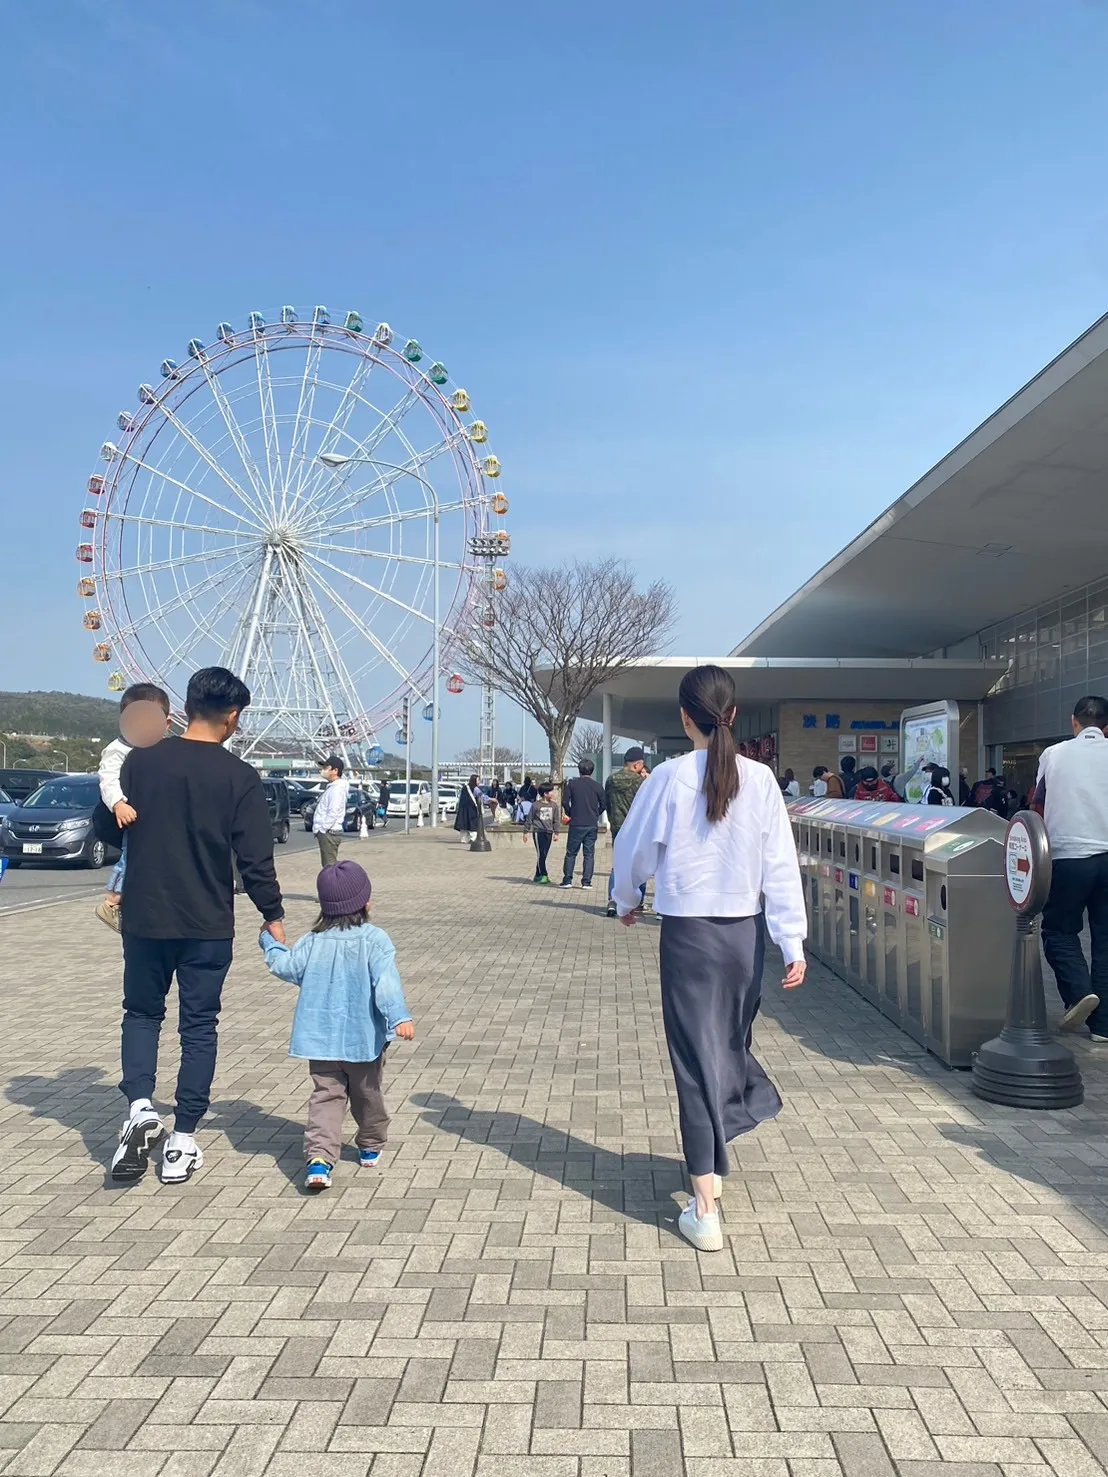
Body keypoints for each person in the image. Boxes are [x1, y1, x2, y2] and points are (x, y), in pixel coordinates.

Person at [611, 665, 806, 1254]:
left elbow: (634, 847)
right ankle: (716, 1155)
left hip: (689, 936)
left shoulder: (669, 778)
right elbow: (781, 864)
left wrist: (627, 898)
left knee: (694, 1061)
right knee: (725, 1046)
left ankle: (704, 1205)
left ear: (683, 717)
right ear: (735, 714)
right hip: (744, 937)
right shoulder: (764, 780)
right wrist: (791, 940)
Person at [111, 667, 285, 1185]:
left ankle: (141, 1106)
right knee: (198, 1027)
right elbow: (255, 859)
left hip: (144, 917)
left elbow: (108, 824)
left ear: (185, 708)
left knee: (141, 1015)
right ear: (232, 718)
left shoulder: (139, 764)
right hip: (207, 922)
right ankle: (182, 1139)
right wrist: (272, 913)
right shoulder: (239, 777)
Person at [259, 859, 414, 1192]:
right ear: (365, 901)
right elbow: (386, 984)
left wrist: (269, 943)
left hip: (321, 1038)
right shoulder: (375, 939)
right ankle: (370, 1143)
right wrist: (399, 1017)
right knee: (367, 1093)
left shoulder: (313, 939)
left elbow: (285, 966)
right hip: (364, 1039)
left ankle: (319, 1159)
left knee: (326, 1096)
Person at [1033, 695, 1108, 1040]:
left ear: (1073, 722)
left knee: (1059, 930)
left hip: (1069, 856)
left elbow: (1037, 803)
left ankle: (1079, 994)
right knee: (1105, 938)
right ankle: (1104, 1026)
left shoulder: (1054, 754)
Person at [95, 683, 172, 933]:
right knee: (131, 856)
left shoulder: (164, 750)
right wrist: (118, 803)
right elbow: (108, 779)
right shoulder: (118, 750)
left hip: (155, 819)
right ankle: (112, 900)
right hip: (131, 816)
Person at [605, 746, 649, 916]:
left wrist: (612, 821)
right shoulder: (640, 782)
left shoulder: (611, 780)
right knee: (640, 865)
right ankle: (637, 902)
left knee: (618, 865)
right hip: (637, 829)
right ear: (638, 765)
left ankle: (612, 900)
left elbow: (607, 803)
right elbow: (645, 806)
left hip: (618, 827)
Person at [560, 758, 607, 889]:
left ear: (579, 770)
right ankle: (586, 882)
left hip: (576, 823)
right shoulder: (597, 786)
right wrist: (596, 813)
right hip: (591, 823)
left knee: (571, 853)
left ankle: (567, 880)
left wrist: (571, 813)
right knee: (589, 853)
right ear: (592, 771)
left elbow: (564, 802)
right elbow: (604, 804)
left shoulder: (572, 784)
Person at [313, 757, 350, 866]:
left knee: (329, 867)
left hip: (329, 833)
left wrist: (322, 829)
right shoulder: (333, 788)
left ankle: (332, 883)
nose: (323, 770)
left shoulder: (337, 789)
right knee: (328, 865)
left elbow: (333, 812)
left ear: (335, 771)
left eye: (326, 768)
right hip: (328, 832)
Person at [524, 780, 561, 882]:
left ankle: (537, 874)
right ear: (545, 794)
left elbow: (556, 820)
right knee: (541, 854)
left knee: (544, 854)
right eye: (551, 792)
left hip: (549, 832)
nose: (553, 793)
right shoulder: (536, 805)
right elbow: (529, 818)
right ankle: (544, 874)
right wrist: (526, 832)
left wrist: (556, 832)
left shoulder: (554, 806)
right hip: (538, 831)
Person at [454, 774, 482, 843]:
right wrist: (491, 800)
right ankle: (473, 839)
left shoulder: (464, 787)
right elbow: (481, 797)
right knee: (473, 825)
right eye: (478, 780)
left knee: (464, 825)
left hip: (463, 810)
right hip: (472, 809)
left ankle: (464, 839)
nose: (479, 782)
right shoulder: (475, 789)